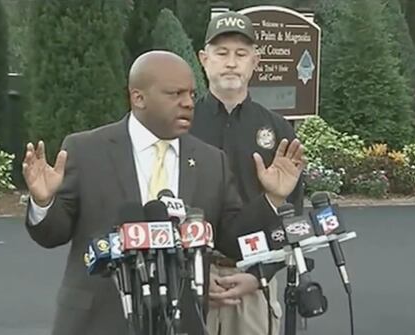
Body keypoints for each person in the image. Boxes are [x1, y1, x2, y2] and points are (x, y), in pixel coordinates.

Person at [22, 51, 305, 335]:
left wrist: (272, 199)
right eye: (175, 93)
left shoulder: (210, 161)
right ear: (138, 98)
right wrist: (44, 202)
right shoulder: (86, 150)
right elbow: (53, 234)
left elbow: (232, 241)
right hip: (99, 320)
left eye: (192, 94)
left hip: (182, 322)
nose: (188, 103)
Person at [190, 11, 304, 335]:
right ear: (204, 59)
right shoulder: (182, 125)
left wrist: (261, 274)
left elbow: (292, 213)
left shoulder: (278, 129)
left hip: (255, 283)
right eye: (221, 53)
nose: (231, 63)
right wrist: (191, 272)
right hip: (193, 280)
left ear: (255, 61)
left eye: (241, 54)